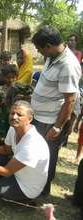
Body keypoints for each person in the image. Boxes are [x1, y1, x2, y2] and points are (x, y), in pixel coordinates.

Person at [31, 25, 81, 195]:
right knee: (37, 154)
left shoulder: (68, 65)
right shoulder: (51, 57)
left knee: (47, 157)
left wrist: (58, 126)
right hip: (39, 117)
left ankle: (42, 193)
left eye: (39, 49)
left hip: (51, 121)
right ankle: (34, 187)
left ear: (48, 46)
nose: (39, 53)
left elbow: (70, 100)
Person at [0, 64, 18, 145]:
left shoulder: (18, 89)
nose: (10, 80)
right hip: (2, 116)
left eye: (13, 77)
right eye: (8, 77)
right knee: (0, 136)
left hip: (14, 116)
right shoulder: (0, 90)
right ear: (3, 77)